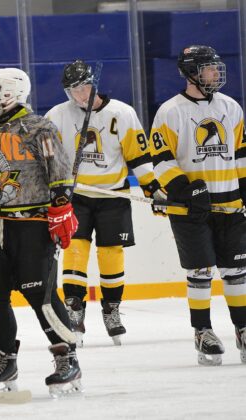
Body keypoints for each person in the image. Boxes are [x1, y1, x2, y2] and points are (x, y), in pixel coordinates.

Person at [0, 68, 82, 396]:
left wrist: (61, 208)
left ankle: (67, 357)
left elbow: (59, 171)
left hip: (31, 225)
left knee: (39, 293)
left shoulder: (39, 127)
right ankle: (5, 360)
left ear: (10, 93)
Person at [45, 60, 162, 346]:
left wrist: (153, 189)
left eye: (83, 88)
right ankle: (74, 309)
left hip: (113, 195)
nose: (79, 96)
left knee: (111, 253)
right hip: (76, 197)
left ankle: (111, 309)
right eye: (73, 91)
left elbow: (138, 155)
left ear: (93, 85)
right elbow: (48, 158)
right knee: (75, 250)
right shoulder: (57, 115)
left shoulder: (122, 113)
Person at [150, 45, 246, 366]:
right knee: (201, 271)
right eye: (209, 68)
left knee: (236, 271)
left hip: (230, 203)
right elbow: (161, 160)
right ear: (192, 72)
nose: (216, 73)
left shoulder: (231, 107)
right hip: (190, 209)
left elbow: (241, 154)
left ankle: (242, 328)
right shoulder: (170, 111)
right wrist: (185, 189)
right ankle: (202, 330)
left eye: (216, 67)